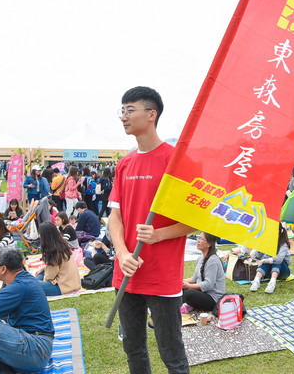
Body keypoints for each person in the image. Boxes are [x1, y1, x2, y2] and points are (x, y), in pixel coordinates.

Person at [109, 86, 194, 373]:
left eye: (129, 110)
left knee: (172, 353)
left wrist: (158, 234)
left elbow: (195, 221)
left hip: (162, 276)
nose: (124, 116)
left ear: (151, 114)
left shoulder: (175, 161)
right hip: (127, 274)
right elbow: (115, 218)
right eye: (122, 110)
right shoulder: (124, 164)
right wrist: (122, 253)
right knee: (133, 349)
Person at [33, 222, 81, 296]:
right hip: (73, 283)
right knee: (37, 277)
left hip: (62, 286)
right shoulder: (62, 245)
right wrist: (43, 268)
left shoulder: (53, 252)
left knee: (32, 284)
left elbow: (49, 277)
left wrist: (42, 282)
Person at [182, 232, 226, 311]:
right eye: (198, 238)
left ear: (208, 244)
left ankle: (189, 304)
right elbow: (195, 278)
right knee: (180, 288)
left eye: (201, 239)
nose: (198, 241)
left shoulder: (213, 260)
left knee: (189, 293)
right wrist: (182, 281)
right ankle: (188, 304)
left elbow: (208, 285)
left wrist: (188, 286)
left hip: (213, 298)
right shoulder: (200, 258)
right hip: (203, 293)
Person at [250, 225, 291, 294]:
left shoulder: (283, 244)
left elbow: (279, 260)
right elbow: (255, 256)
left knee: (274, 258)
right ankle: (256, 280)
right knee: (268, 257)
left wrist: (264, 260)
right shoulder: (268, 241)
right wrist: (258, 245)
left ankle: (272, 282)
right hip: (268, 272)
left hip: (283, 272)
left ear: (278, 231)